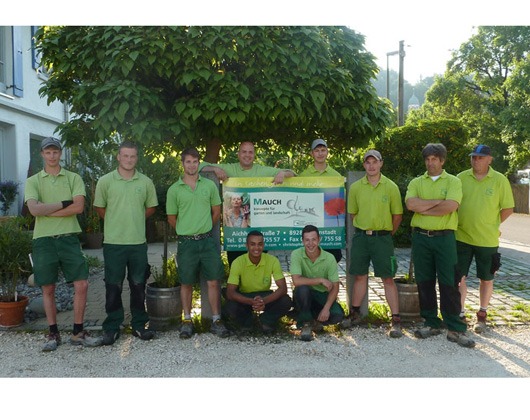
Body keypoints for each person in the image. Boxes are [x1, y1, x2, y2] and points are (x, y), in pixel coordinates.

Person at [24, 137, 102, 351]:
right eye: (48, 152)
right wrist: (63, 204)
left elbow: (78, 207)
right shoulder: (33, 181)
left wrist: (47, 210)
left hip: (68, 237)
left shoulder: (73, 178)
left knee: (82, 284)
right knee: (47, 287)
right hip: (43, 240)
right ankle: (53, 333)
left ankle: (77, 332)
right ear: (42, 154)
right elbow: (34, 210)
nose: (52, 156)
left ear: (60, 153)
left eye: (55, 152)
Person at [405, 143, 475, 348]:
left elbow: (451, 206)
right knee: (424, 281)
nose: (430, 162)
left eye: (434, 159)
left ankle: (454, 327)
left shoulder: (453, 181)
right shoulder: (417, 181)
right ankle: (431, 322)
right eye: (427, 159)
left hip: (445, 238)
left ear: (442, 161)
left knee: (449, 282)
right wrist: (438, 202)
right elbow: (411, 205)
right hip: (421, 238)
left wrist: (424, 207)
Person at [93, 141, 159, 345]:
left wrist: (134, 220)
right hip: (113, 243)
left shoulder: (145, 182)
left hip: (138, 242)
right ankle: (112, 327)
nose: (129, 160)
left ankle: (139, 325)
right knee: (113, 286)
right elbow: (100, 209)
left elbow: (150, 208)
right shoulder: (105, 181)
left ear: (137, 158)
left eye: (133, 156)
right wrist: (117, 221)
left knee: (138, 285)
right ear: (118, 157)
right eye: (125, 156)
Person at [166, 147, 229, 339]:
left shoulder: (209, 186)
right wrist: (186, 231)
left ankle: (216, 320)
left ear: (198, 163)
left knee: (213, 281)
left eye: (195, 162)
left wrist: (205, 228)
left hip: (207, 241)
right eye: (188, 162)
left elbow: (216, 211)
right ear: (183, 164)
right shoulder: (174, 189)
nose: (192, 165)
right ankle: (187, 320)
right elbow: (171, 217)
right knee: (186, 282)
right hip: (186, 243)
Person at [200, 141, 296, 265]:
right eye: (244, 152)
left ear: (254, 155)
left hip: (257, 231)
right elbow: (200, 166)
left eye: (250, 152)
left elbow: (291, 172)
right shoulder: (230, 168)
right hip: (236, 236)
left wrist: (282, 173)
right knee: (236, 269)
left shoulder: (262, 170)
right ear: (238, 154)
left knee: (259, 269)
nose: (247, 155)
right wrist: (215, 169)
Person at [342, 149, 404, 338]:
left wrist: (385, 233)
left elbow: (397, 215)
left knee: (387, 278)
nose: (371, 166)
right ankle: (355, 313)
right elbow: (352, 214)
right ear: (364, 165)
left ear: (381, 164)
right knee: (359, 276)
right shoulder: (356, 187)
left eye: (374, 162)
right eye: (368, 162)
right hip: (361, 237)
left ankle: (395, 319)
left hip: (383, 238)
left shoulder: (391, 186)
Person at [456, 144, 514, 333]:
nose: (476, 160)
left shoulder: (499, 180)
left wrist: (492, 224)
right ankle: (460, 314)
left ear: (490, 159)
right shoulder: (460, 178)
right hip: (461, 237)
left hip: (487, 240)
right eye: (473, 157)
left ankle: (482, 314)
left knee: (486, 279)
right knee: (458, 278)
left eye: (480, 157)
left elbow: (507, 208)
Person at [224, 230, 292, 333]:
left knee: (286, 301)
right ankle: (247, 324)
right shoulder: (238, 262)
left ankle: (265, 321)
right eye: (252, 244)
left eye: (260, 244)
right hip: (245, 296)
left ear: (263, 245)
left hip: (264, 295)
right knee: (231, 305)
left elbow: (283, 289)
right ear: (246, 245)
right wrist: (251, 301)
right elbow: (230, 292)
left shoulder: (272, 260)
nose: (256, 248)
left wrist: (263, 301)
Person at [290, 224, 345, 341]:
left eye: (314, 240)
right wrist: (320, 280)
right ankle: (305, 324)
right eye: (307, 240)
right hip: (306, 294)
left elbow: (335, 286)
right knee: (302, 289)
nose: (310, 244)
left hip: (322, 295)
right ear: (302, 241)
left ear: (319, 239)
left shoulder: (329, 258)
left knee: (337, 315)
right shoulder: (296, 254)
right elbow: (296, 281)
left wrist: (326, 308)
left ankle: (314, 321)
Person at [299, 138, 344, 263]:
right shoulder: (303, 176)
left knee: (332, 259)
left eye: (323, 150)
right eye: (317, 150)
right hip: (310, 225)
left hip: (329, 227)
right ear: (311, 153)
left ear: (327, 152)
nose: (320, 153)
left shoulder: (336, 177)